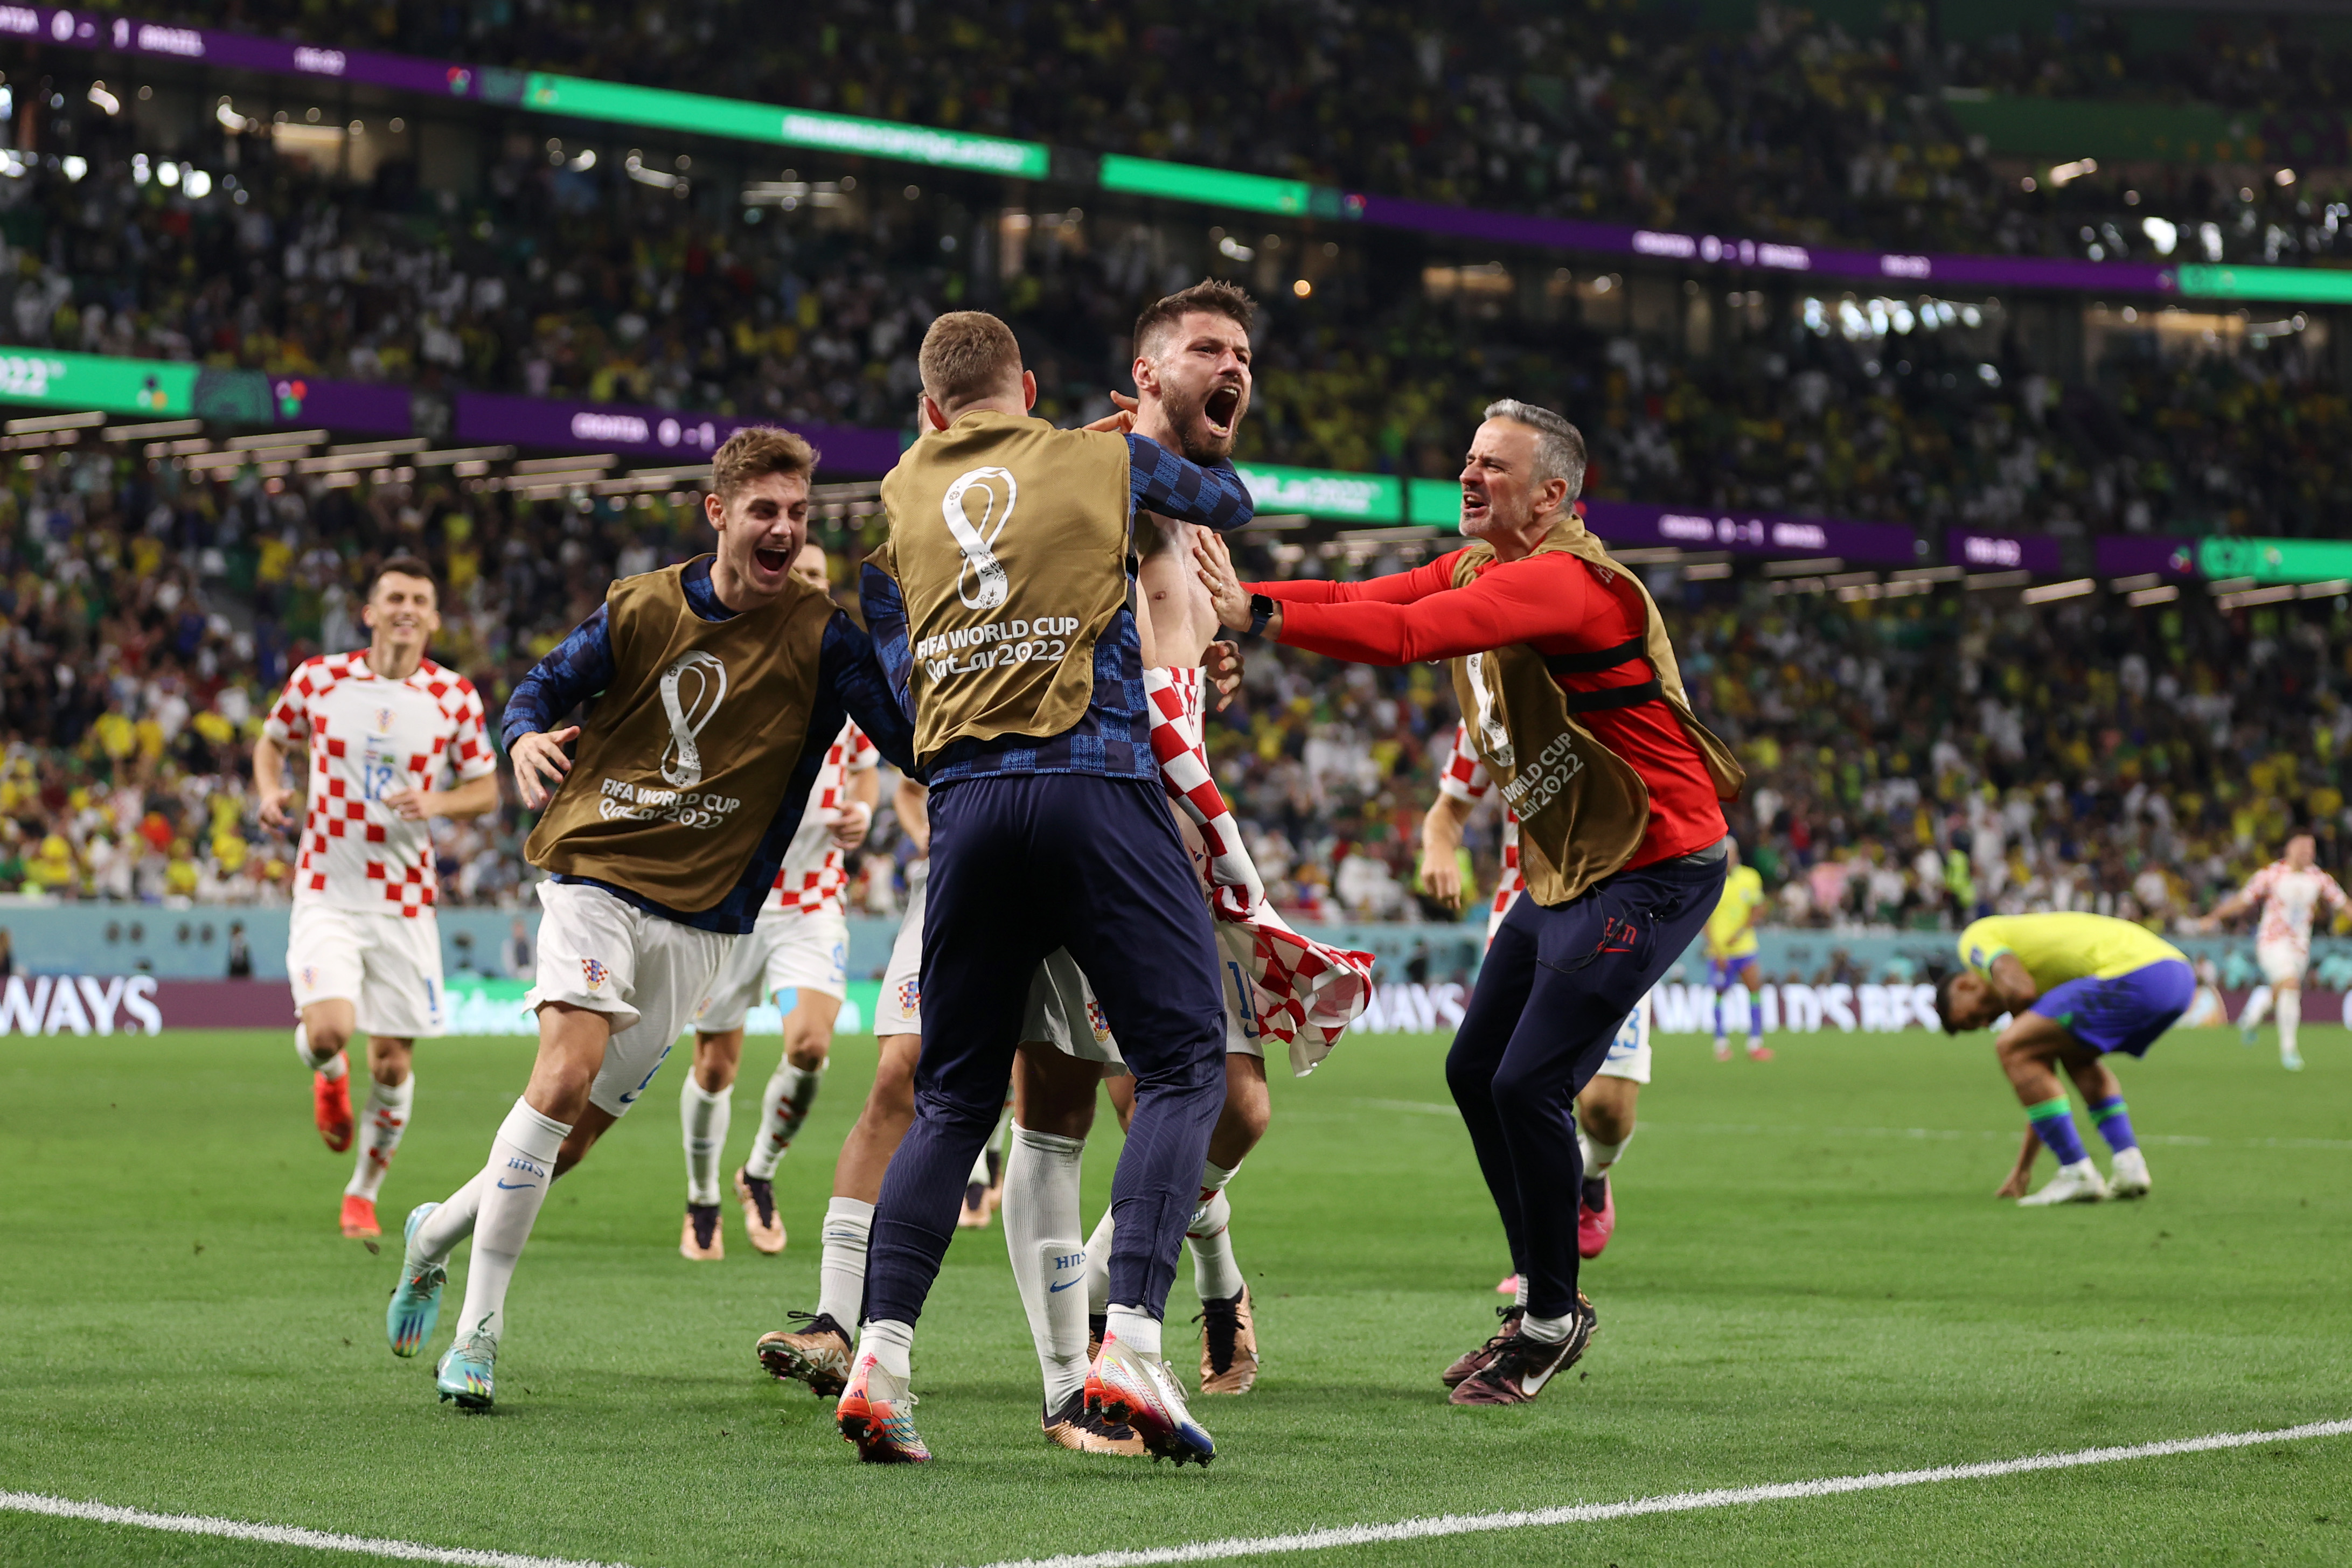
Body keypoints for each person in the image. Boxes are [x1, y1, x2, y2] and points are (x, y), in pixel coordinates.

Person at [1196, 399, 1742, 1407]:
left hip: (1655, 860)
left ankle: (1546, 1317)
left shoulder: (1574, 585)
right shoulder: (1480, 565)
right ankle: (1545, 1298)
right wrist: (1227, 593)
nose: (1469, 474)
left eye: (1495, 465)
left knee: (1527, 1082)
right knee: (1475, 1068)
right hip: (1575, 861)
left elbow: (1408, 634)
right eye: (1467, 457)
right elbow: (1362, 591)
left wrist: (1255, 617)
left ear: (1552, 495)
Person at [379, 427, 914, 1410]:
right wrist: (523, 737)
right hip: (594, 873)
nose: (785, 531)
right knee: (563, 1072)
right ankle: (479, 1337)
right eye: (766, 512)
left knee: (569, 1140)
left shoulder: (824, 634)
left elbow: (907, 739)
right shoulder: (643, 607)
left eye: (797, 515)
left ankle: (435, 1234)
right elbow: (542, 684)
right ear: (719, 513)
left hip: (704, 923)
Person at [837, 308, 1254, 1465]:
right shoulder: (1099, 455)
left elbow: (875, 654)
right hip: (1092, 785)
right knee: (1180, 1065)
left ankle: (881, 1361)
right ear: (1028, 383)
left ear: (930, 410)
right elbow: (1228, 506)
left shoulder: (900, 490)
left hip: (964, 810)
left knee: (953, 1101)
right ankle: (1130, 1337)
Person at [1000, 280, 1370, 1412]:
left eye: (1246, 352)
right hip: (1103, 824)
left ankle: (1178, 1286)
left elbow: (1177, 660)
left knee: (1232, 1110)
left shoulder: (1199, 514)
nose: (1235, 366)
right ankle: (1102, 1348)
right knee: (1097, 1098)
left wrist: (1220, 651)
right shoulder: (1096, 487)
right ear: (1143, 377)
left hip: (1177, 829)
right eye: (1208, 346)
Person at [253, 557, 498, 1239]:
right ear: (370, 611)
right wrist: (270, 791)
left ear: (434, 616)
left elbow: (485, 789)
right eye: (394, 596)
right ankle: (327, 1070)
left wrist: (437, 800)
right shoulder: (320, 680)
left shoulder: (454, 697)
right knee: (329, 1029)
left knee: (393, 1061)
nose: (406, 608)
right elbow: (270, 745)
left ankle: (362, 1191)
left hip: (406, 901)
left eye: (420, 598)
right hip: (328, 889)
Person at [676, 541, 882, 1262]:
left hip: (810, 898)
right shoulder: (727, 669)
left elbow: (865, 773)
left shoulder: (849, 677)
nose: (805, 586)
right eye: (795, 575)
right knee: (714, 1067)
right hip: (732, 899)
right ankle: (702, 1195)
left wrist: (859, 811)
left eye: (817, 578)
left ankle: (757, 1172)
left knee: (810, 1046)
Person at [1419, 718, 1653, 1291]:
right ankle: (1534, 1267)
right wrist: (1438, 850)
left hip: (1615, 916)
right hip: (1521, 922)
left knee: (1606, 1110)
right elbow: (1447, 811)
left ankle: (1592, 1175)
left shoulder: (1611, 693)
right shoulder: (1490, 706)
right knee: (1505, 1088)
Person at [1933, 912, 2189, 1206]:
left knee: (2012, 1046)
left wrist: (2022, 1037)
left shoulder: (1975, 940)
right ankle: (2129, 1164)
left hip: (2136, 973)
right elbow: (2042, 1088)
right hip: (2177, 976)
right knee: (2076, 1058)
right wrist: (2023, 1170)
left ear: (1966, 986)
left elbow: (2020, 990)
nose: (1985, 1023)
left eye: (1974, 1017)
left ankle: (2077, 1171)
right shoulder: (2044, 976)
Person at [2198, 832, 2344, 1072]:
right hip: (2271, 942)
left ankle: (2255, 1012)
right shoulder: (2271, 875)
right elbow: (2244, 900)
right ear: (2290, 850)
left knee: (2286, 987)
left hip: (2300, 947)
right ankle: (2290, 1051)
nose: (2308, 853)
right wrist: (2213, 916)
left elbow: (2343, 903)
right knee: (2290, 985)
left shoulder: (2319, 879)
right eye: (2303, 849)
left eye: (2312, 849)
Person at [1704, 839, 1773, 1063]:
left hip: (1746, 947)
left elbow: (1759, 907)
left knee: (1755, 988)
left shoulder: (1750, 877)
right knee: (1720, 993)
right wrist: (1716, 949)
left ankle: (1755, 1043)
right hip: (1721, 951)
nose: (1727, 856)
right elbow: (1704, 919)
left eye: (1730, 852)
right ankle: (1721, 1043)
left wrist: (1742, 931)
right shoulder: (1712, 881)